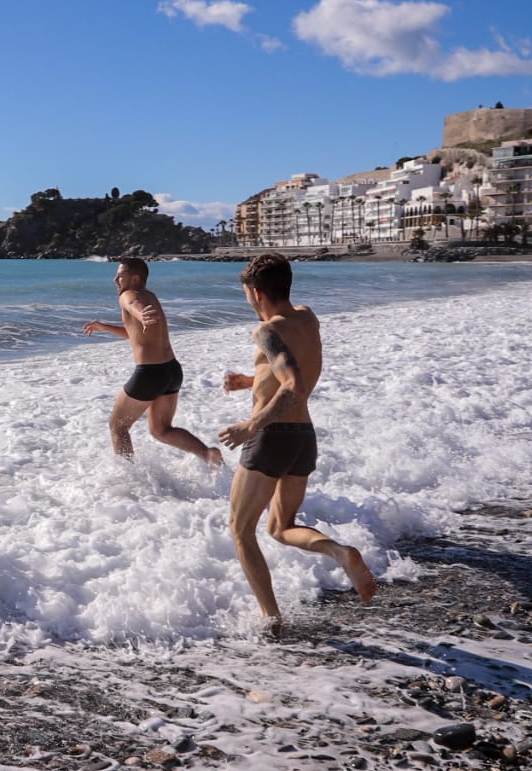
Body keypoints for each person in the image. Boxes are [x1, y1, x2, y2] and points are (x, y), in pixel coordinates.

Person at [216, 253, 377, 632]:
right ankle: (339, 551)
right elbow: (290, 372)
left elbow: (292, 385)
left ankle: (271, 619)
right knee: (280, 526)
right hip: (303, 436)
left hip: (271, 438)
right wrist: (248, 381)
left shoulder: (266, 331)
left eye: (245, 295)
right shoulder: (307, 316)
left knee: (241, 530)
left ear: (256, 293)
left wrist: (249, 426)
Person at [81, 257, 224, 466]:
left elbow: (132, 305)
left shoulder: (127, 295)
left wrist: (140, 314)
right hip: (172, 371)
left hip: (149, 374)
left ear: (135, 278)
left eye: (121, 275)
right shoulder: (151, 297)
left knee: (118, 427)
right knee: (161, 430)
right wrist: (105, 327)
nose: (115, 280)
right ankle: (209, 454)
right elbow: (135, 333)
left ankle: (130, 477)